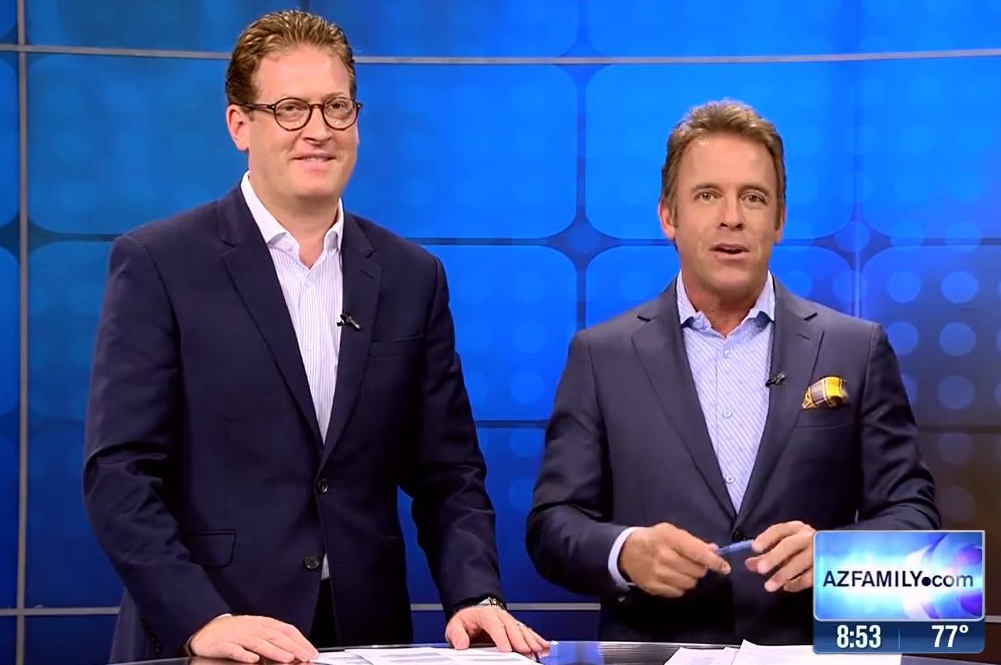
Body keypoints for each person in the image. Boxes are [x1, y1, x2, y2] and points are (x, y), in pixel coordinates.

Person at [84, 10, 545, 663]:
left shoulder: (411, 276)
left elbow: (449, 473)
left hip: (362, 634)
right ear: (239, 125)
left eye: (336, 107)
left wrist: (476, 595)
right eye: (290, 109)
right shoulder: (159, 263)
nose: (318, 130)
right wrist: (202, 619)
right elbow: (119, 475)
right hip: (207, 638)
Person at [526, 99, 940, 645]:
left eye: (753, 197)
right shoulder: (601, 356)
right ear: (668, 216)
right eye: (707, 195)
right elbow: (552, 525)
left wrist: (836, 557)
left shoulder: (855, 349)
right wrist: (625, 552)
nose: (732, 217)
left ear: (779, 220)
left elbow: (915, 516)